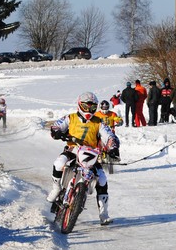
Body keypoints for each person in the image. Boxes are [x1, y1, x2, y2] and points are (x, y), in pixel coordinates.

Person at [46, 92, 120, 225]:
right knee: (58, 163)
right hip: (72, 150)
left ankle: (104, 214)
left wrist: (113, 147)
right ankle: (56, 188)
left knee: (102, 179)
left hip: (91, 154)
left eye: (92, 108)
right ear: (80, 105)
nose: (89, 110)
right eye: (87, 107)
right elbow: (56, 125)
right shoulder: (70, 118)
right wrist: (57, 132)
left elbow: (109, 136)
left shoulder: (99, 122)